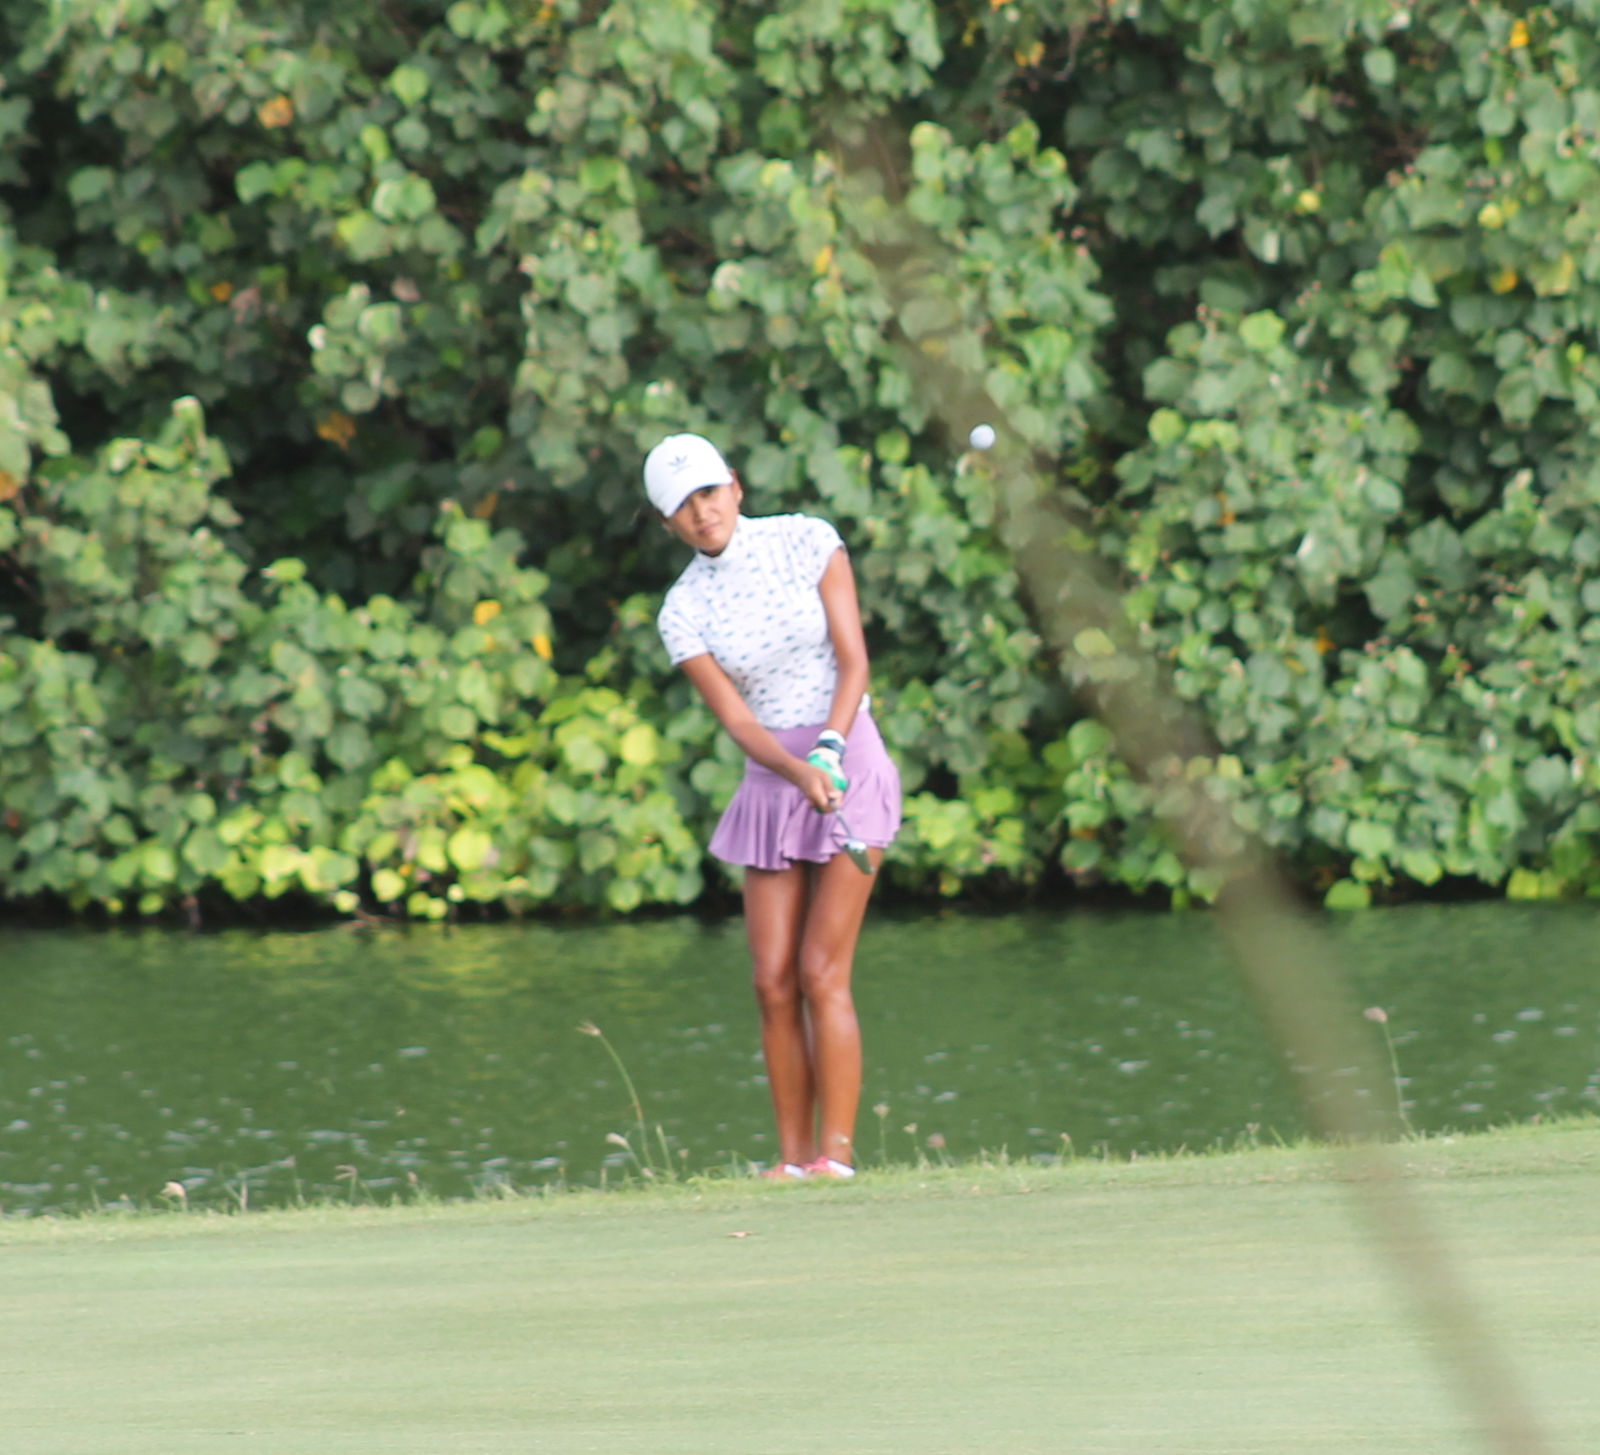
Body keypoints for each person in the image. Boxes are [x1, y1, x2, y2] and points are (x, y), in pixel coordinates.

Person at [645, 431, 901, 1180]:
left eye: (707, 492)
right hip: (771, 776)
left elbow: (854, 660)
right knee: (770, 979)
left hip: (847, 756)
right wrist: (795, 768)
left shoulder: (808, 541)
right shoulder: (683, 608)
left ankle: (837, 1159)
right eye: (681, 506)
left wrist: (826, 750)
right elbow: (739, 722)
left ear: (734, 483)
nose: (700, 512)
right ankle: (791, 1161)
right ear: (667, 524)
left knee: (823, 970)